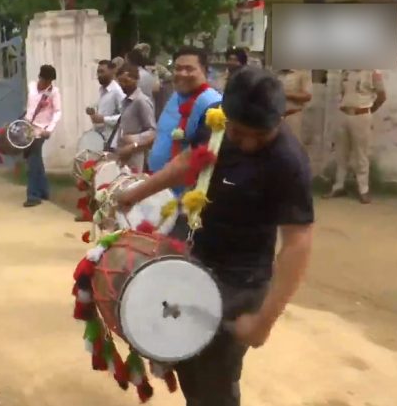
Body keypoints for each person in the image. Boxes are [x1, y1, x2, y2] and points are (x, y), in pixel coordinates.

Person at [117, 66, 314, 406]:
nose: (248, 143)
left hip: (241, 281)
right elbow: (188, 162)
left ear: (280, 120)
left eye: (259, 135)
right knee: (185, 357)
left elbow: (298, 243)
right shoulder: (219, 126)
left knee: (216, 379)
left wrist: (264, 320)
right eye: (239, 133)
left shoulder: (288, 162)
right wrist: (135, 193)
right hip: (195, 264)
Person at [136, 46, 222, 179]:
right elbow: (163, 133)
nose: (182, 73)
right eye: (178, 68)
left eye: (189, 69)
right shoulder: (176, 95)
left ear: (205, 71)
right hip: (156, 183)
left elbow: (199, 156)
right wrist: (135, 146)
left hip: (183, 191)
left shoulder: (213, 105)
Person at [324, 69, 386, 204]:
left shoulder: (373, 72)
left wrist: (368, 110)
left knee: (361, 154)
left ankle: (363, 189)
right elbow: (342, 93)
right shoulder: (346, 71)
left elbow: (382, 96)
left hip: (361, 115)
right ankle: (338, 186)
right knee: (341, 153)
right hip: (344, 114)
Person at [22, 64, 62, 207]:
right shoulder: (31, 86)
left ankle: (33, 195)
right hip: (27, 128)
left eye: (50, 81)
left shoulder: (53, 92)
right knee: (35, 160)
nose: (48, 84)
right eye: (45, 80)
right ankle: (44, 190)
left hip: (40, 131)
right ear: (40, 77)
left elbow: (57, 112)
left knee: (33, 161)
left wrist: (49, 129)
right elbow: (29, 106)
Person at [113, 64, 157, 173]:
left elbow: (152, 131)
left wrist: (134, 141)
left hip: (136, 155)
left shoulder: (141, 101)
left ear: (136, 79)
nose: (123, 85)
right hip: (123, 153)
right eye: (120, 82)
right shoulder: (125, 101)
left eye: (126, 81)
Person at [86, 60, 124, 149]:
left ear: (112, 72)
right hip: (99, 138)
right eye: (98, 72)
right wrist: (92, 111)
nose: (99, 75)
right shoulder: (102, 90)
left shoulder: (117, 91)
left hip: (112, 141)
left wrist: (103, 119)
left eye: (102, 71)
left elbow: (125, 116)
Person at [277, 69, 313, 143]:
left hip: (293, 116)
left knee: (292, 145)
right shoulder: (276, 72)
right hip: (276, 117)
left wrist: (285, 94)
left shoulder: (301, 73)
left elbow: (307, 96)